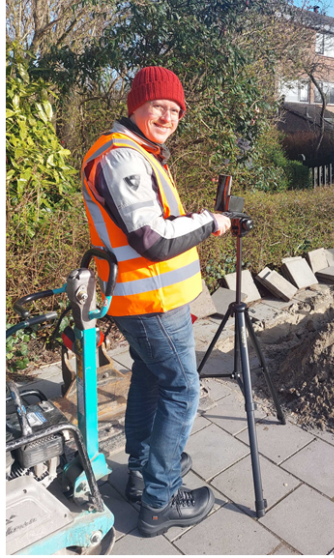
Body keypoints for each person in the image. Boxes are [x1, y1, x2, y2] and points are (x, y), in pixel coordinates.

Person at [81, 66, 231, 537]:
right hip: (152, 300)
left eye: (174, 110)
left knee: (149, 380)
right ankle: (161, 501)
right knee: (182, 390)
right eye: (158, 107)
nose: (167, 116)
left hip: (153, 298)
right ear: (135, 106)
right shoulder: (121, 157)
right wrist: (213, 221)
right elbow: (152, 237)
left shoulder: (142, 153)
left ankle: (144, 474)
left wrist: (195, 220)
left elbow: (155, 221)